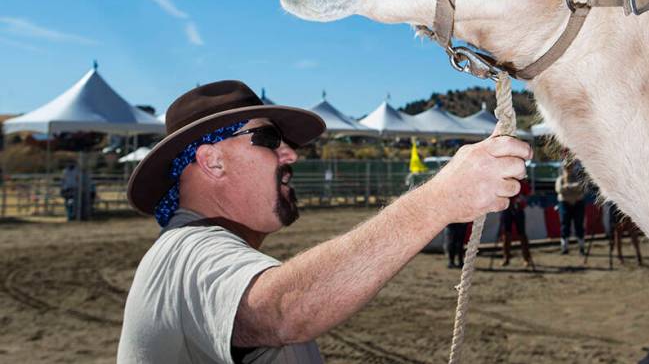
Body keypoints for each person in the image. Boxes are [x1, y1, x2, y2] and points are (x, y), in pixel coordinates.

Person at [118, 80, 531, 363]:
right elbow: (279, 310)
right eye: (268, 140)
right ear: (212, 161)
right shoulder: (187, 252)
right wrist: (439, 199)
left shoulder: (185, 252)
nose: (291, 155)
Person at [500, 177, 534, 268]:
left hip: (518, 209)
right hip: (507, 208)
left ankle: (526, 258)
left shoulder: (521, 180)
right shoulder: (505, 180)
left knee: (522, 234)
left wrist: (521, 199)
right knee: (506, 233)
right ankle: (506, 257)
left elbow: (528, 192)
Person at [555, 161, 586, 255]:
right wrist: (573, 188)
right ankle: (564, 247)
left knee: (579, 225)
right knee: (565, 224)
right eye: (566, 167)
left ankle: (581, 247)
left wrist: (568, 187)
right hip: (565, 203)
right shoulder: (560, 179)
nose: (568, 168)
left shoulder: (578, 177)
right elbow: (559, 189)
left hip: (577, 203)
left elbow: (582, 187)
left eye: (570, 166)